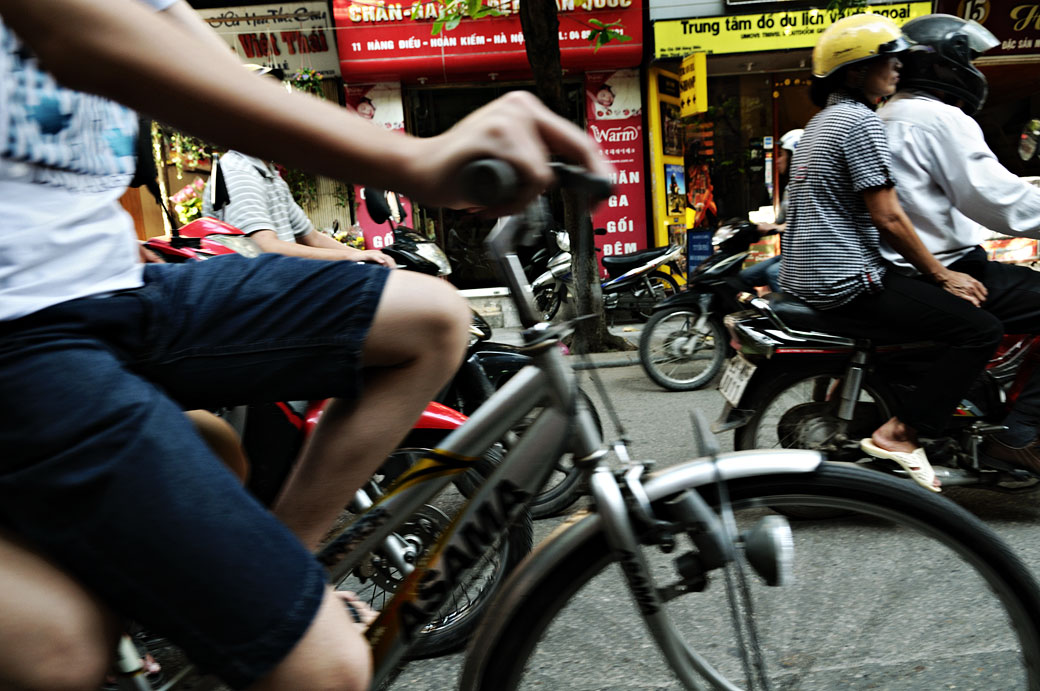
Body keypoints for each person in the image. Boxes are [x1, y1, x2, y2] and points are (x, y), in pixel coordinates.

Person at [0, 3, 610, 691]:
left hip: (118, 290)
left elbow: (216, 77)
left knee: (434, 319)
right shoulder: (239, 168)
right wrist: (416, 159)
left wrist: (361, 259)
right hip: (25, 324)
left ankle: (292, 558)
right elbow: (89, 38)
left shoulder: (271, 167)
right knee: (322, 669)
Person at [777, 13, 1003, 493]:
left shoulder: (819, 123)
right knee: (979, 328)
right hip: (846, 281)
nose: (899, 66)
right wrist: (944, 275)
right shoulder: (861, 122)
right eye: (888, 59)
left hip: (805, 276)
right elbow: (889, 217)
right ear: (856, 71)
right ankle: (899, 433)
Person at [876, 13, 1040, 472]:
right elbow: (996, 201)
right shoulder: (938, 119)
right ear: (944, 65)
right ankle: (1021, 432)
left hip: (899, 270)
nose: (974, 68)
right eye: (967, 59)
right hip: (944, 269)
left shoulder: (882, 116)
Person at [203, 147, 396, 266]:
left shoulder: (270, 175)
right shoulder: (238, 171)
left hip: (285, 290)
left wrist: (363, 255)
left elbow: (311, 237)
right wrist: (349, 257)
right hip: (266, 305)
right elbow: (265, 247)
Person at [739, 128, 802, 292]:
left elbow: (804, 224)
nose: (777, 161)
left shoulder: (807, 186)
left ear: (794, 155)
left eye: (781, 155)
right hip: (789, 256)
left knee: (772, 273)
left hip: (804, 258)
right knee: (746, 276)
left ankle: (787, 316)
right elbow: (781, 221)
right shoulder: (790, 187)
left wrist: (775, 227)